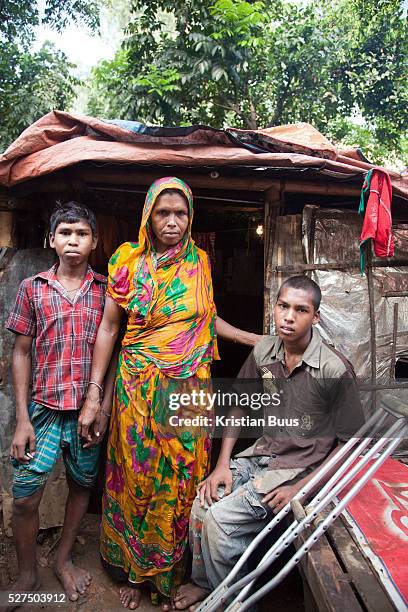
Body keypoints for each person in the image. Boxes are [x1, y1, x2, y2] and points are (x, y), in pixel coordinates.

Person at [79, 177, 261, 610]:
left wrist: (254, 339)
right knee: (136, 478)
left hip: (188, 392)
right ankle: (133, 573)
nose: (173, 221)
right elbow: (108, 328)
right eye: (164, 212)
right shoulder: (127, 260)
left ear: (191, 217)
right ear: (148, 215)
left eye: (181, 213)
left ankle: (171, 576)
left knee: (181, 481)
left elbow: (207, 320)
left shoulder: (200, 262)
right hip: (136, 390)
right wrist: (94, 395)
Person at [174, 275, 365, 611]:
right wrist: (222, 465)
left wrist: (301, 488)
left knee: (221, 522)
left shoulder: (334, 369)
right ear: (275, 309)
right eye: (283, 307)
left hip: (299, 469)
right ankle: (208, 586)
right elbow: (238, 405)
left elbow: (349, 446)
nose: (289, 317)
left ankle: (235, 604)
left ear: (315, 317)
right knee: (202, 503)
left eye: (301, 310)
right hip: (263, 454)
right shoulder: (265, 350)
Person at [5, 202, 113, 607]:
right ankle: (28, 572)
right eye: (65, 232)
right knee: (24, 497)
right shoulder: (32, 287)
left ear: (94, 241)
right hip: (44, 410)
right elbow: (20, 353)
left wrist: (100, 405)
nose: (73, 240)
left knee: (81, 486)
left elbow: (117, 350)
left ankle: (64, 559)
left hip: (87, 412)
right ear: (52, 239)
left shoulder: (106, 291)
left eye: (82, 234)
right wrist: (21, 420)